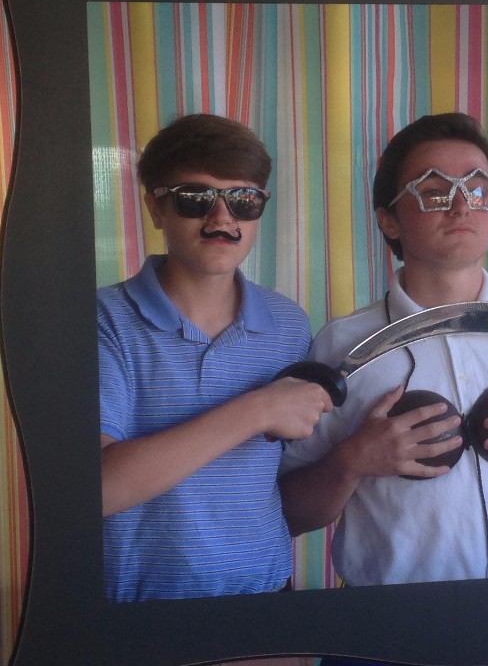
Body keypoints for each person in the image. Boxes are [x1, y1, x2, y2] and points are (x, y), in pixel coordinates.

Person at [278, 113, 488, 608]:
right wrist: (351, 461)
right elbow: (292, 512)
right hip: (385, 633)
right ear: (388, 219)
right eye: (432, 190)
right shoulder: (342, 346)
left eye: (477, 188)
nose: (460, 204)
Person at [98, 113, 333, 603]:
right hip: (136, 613)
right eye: (195, 198)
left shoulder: (289, 324)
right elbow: (99, 488)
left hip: (266, 599)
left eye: (243, 199)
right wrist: (257, 409)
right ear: (155, 207)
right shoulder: (103, 320)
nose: (222, 218)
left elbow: (290, 482)